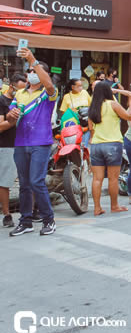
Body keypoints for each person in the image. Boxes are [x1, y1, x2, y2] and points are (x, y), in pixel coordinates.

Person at [8, 48, 58, 237]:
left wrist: (32, 59)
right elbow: (10, 118)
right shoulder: (20, 94)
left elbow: (49, 84)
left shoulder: (48, 93)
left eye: (34, 71)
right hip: (21, 142)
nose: (31, 73)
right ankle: (26, 221)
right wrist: (12, 115)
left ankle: (48, 220)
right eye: (29, 71)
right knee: (24, 184)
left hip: (40, 143)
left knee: (37, 182)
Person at [88, 82, 131, 216]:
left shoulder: (93, 107)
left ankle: (97, 208)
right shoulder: (112, 104)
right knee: (113, 179)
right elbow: (129, 116)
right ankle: (114, 206)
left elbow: (91, 128)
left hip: (96, 145)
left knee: (97, 179)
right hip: (112, 145)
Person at [0, 73, 26, 228]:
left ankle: (30, 211)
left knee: (28, 180)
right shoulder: (2, 101)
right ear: (11, 86)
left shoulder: (26, 100)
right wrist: (13, 120)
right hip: (7, 145)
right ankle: (7, 214)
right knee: (5, 181)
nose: (21, 93)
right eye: (19, 89)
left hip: (25, 144)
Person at [59, 78, 92, 145]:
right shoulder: (67, 96)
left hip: (85, 124)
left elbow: (91, 105)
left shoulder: (85, 93)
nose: (81, 87)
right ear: (73, 87)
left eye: (81, 85)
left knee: (84, 145)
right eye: (79, 86)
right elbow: (63, 112)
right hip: (73, 126)